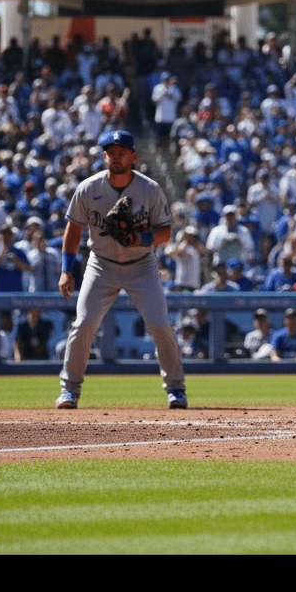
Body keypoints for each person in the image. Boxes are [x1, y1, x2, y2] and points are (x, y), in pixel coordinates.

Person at [56, 129, 187, 409]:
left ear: (133, 156)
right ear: (104, 156)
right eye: (111, 152)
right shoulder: (89, 188)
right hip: (101, 264)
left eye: (122, 152)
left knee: (160, 324)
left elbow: (165, 232)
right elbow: (73, 230)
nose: (116, 157)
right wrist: (67, 269)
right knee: (84, 322)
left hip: (142, 264)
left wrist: (142, 238)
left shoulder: (149, 188)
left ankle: (176, 388)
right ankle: (69, 389)